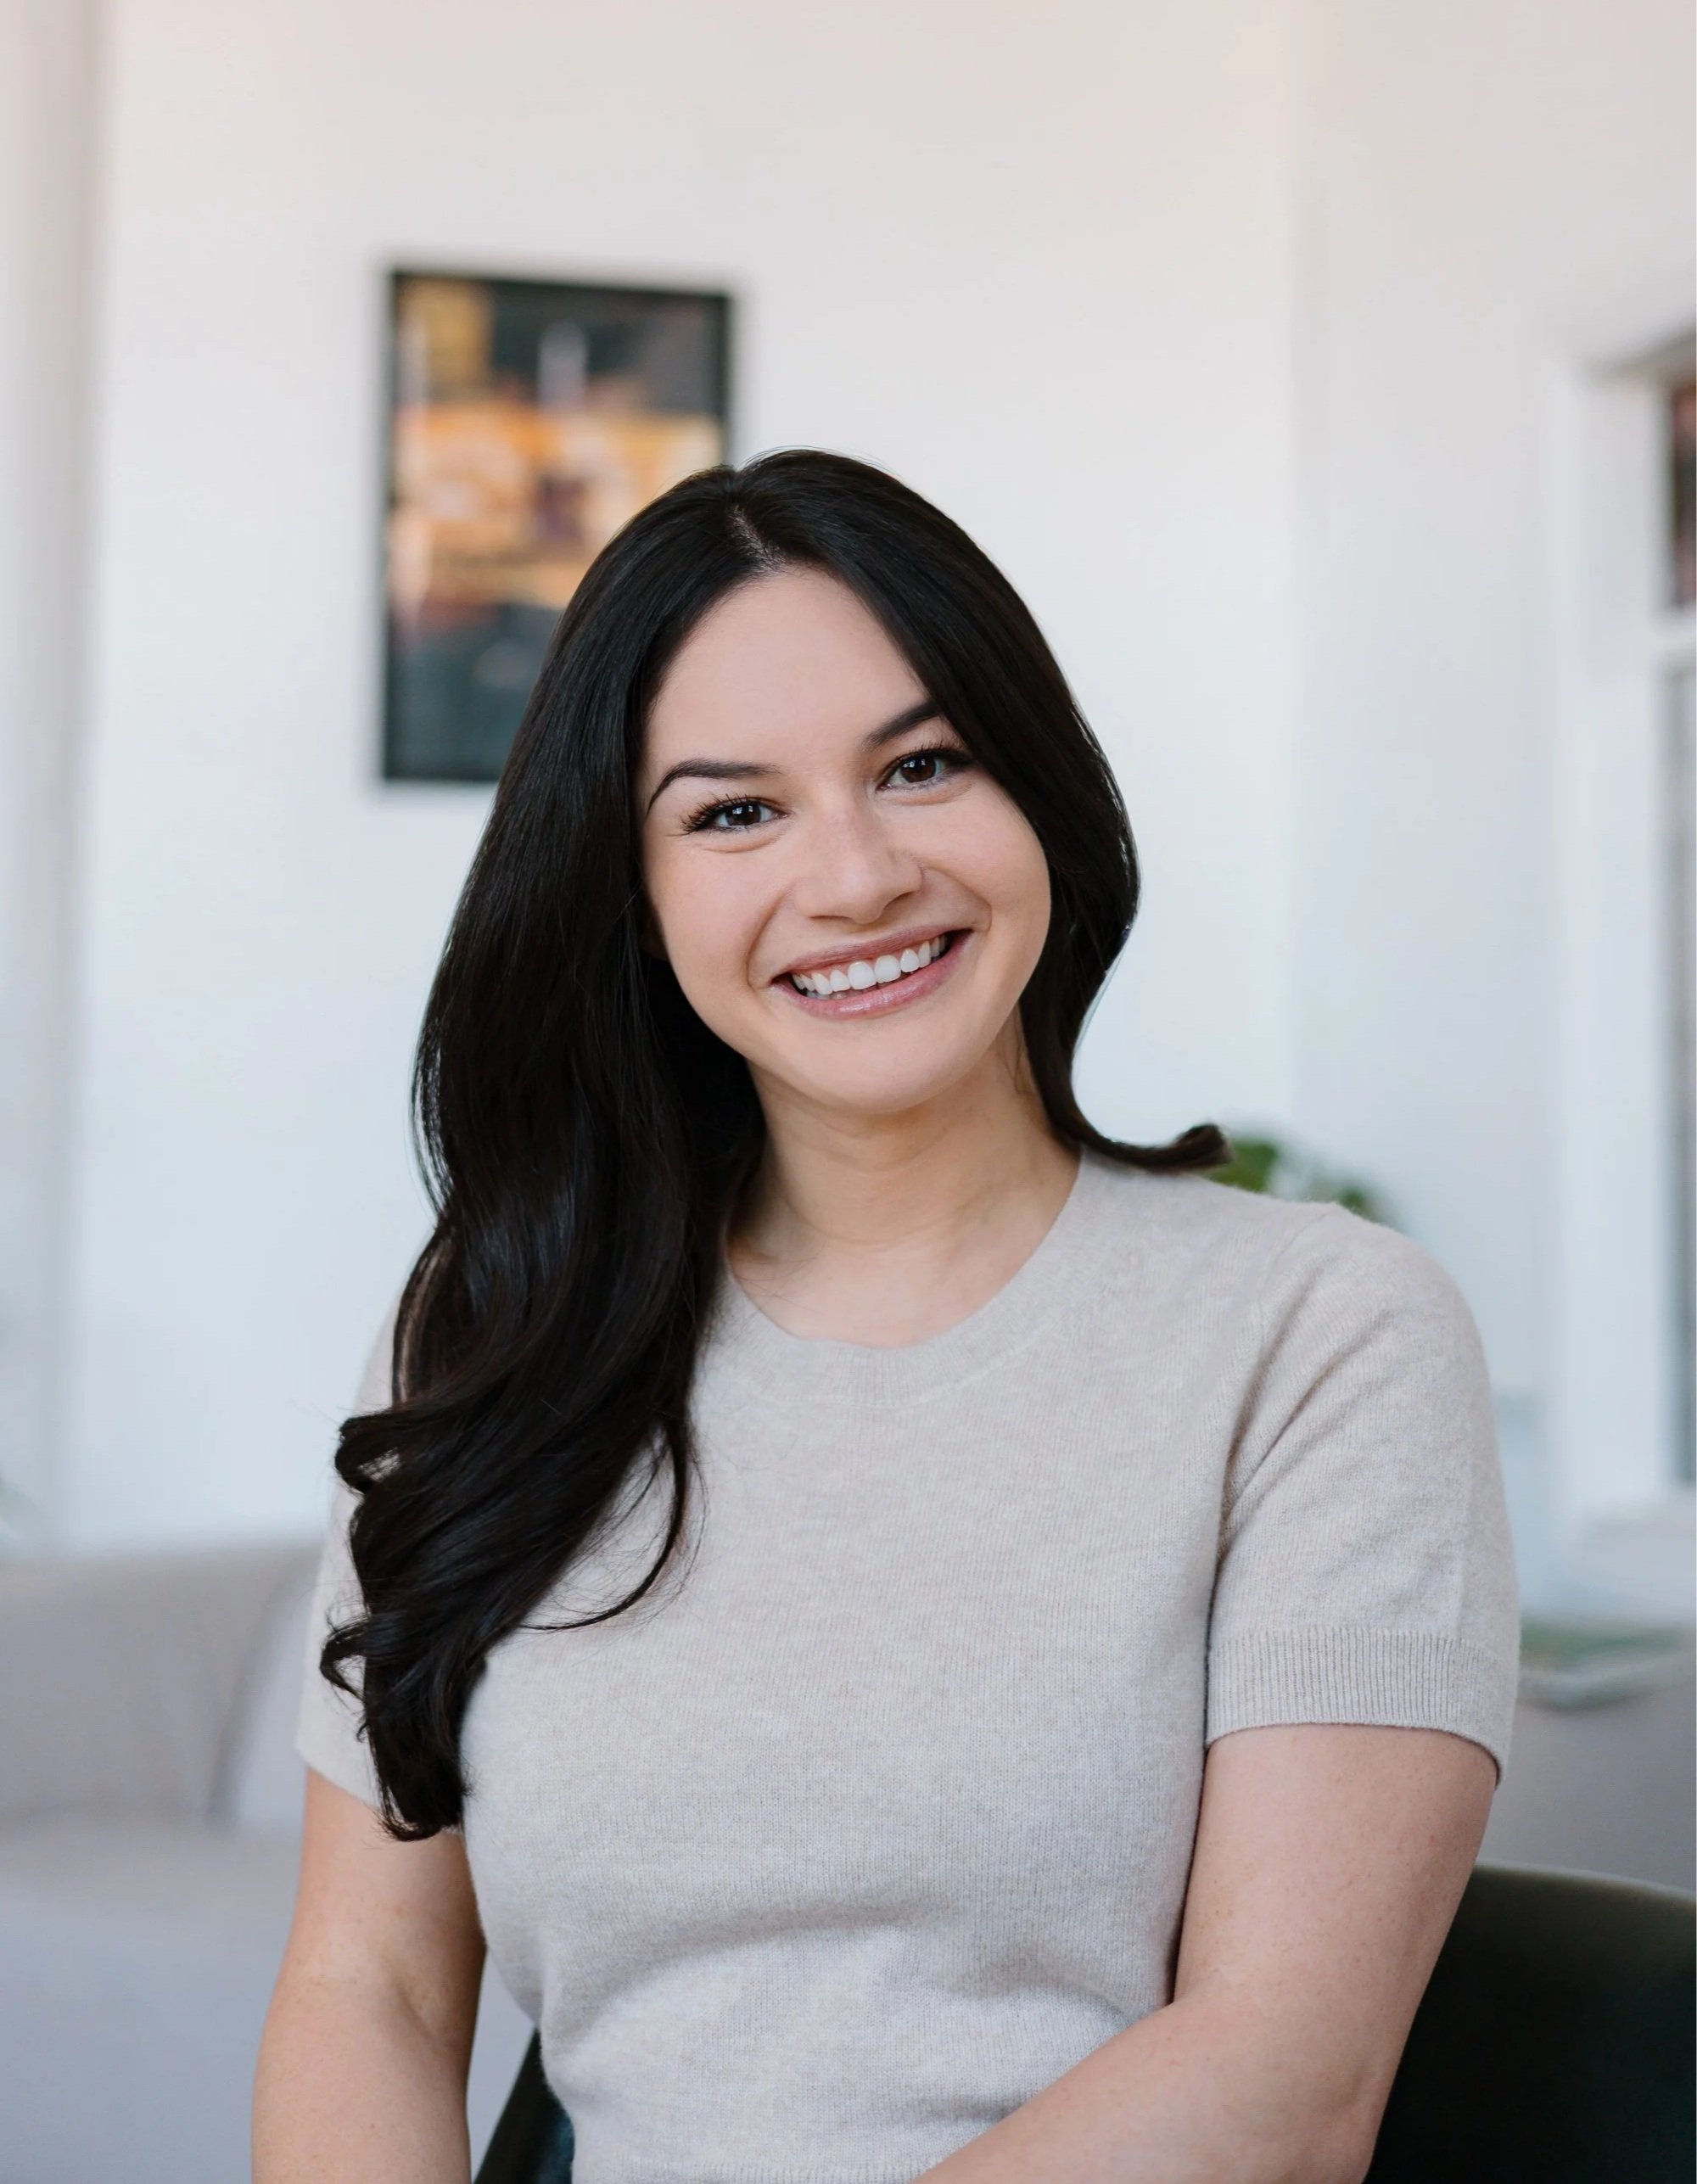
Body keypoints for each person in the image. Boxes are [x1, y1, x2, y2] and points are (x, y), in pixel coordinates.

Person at [253, 451, 1518, 2184]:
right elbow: (369, 1983)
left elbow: (1282, 2073)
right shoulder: (494, 1342)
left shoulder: (1317, 1334)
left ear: (1040, 796)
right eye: (731, 811)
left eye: (921, 766)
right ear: (629, 897)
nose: (853, 877)